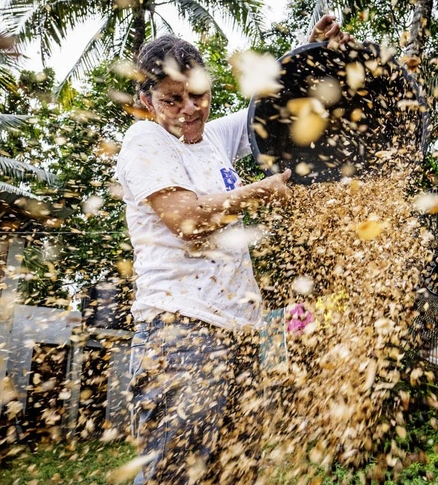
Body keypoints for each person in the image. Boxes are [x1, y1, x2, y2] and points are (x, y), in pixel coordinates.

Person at [116, 15, 351, 485]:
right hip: (180, 331)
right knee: (176, 473)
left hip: (240, 333)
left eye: (197, 94)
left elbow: (273, 108)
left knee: (236, 470)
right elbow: (188, 222)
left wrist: (311, 48)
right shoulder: (145, 140)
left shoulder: (214, 140)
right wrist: (257, 192)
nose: (189, 109)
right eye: (172, 99)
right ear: (147, 101)